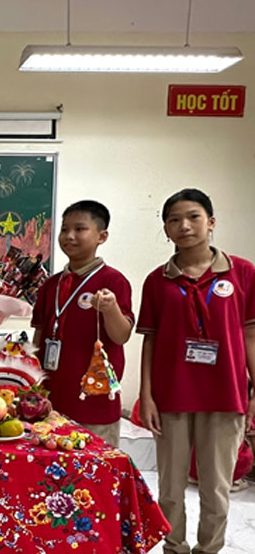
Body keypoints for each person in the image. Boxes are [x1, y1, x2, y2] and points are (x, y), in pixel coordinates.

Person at [137, 188, 255, 554]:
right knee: (170, 488)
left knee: (216, 488)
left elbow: (250, 335)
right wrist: (146, 395)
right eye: (174, 220)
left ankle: (209, 549)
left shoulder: (243, 273)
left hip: (226, 395)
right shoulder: (157, 281)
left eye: (193, 217)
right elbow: (150, 341)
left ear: (211, 222)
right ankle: (174, 547)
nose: (184, 226)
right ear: (166, 229)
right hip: (171, 395)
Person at [32, 200, 133, 447]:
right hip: (50, 403)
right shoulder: (51, 285)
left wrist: (110, 309)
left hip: (94, 404)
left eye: (80, 229)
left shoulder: (113, 281)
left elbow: (121, 336)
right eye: (64, 229)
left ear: (102, 236)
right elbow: (39, 338)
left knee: (96, 467)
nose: (69, 236)